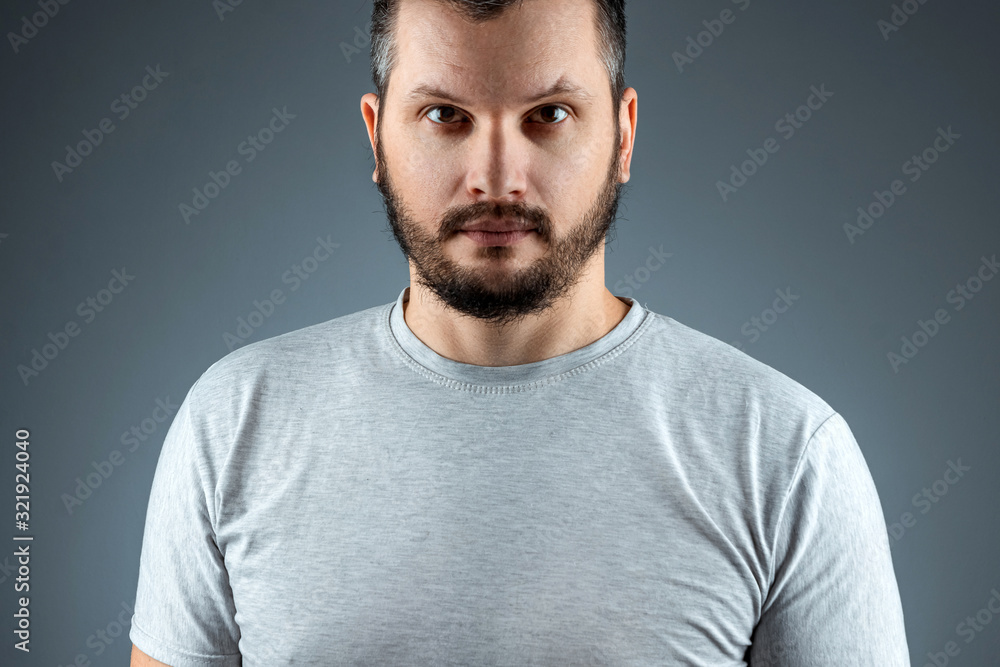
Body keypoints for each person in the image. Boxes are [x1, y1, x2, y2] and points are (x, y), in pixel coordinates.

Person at [129, 0, 911, 664]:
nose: (496, 177)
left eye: (549, 115)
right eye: (445, 116)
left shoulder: (787, 455)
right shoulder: (231, 424)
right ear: (376, 137)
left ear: (624, 134)